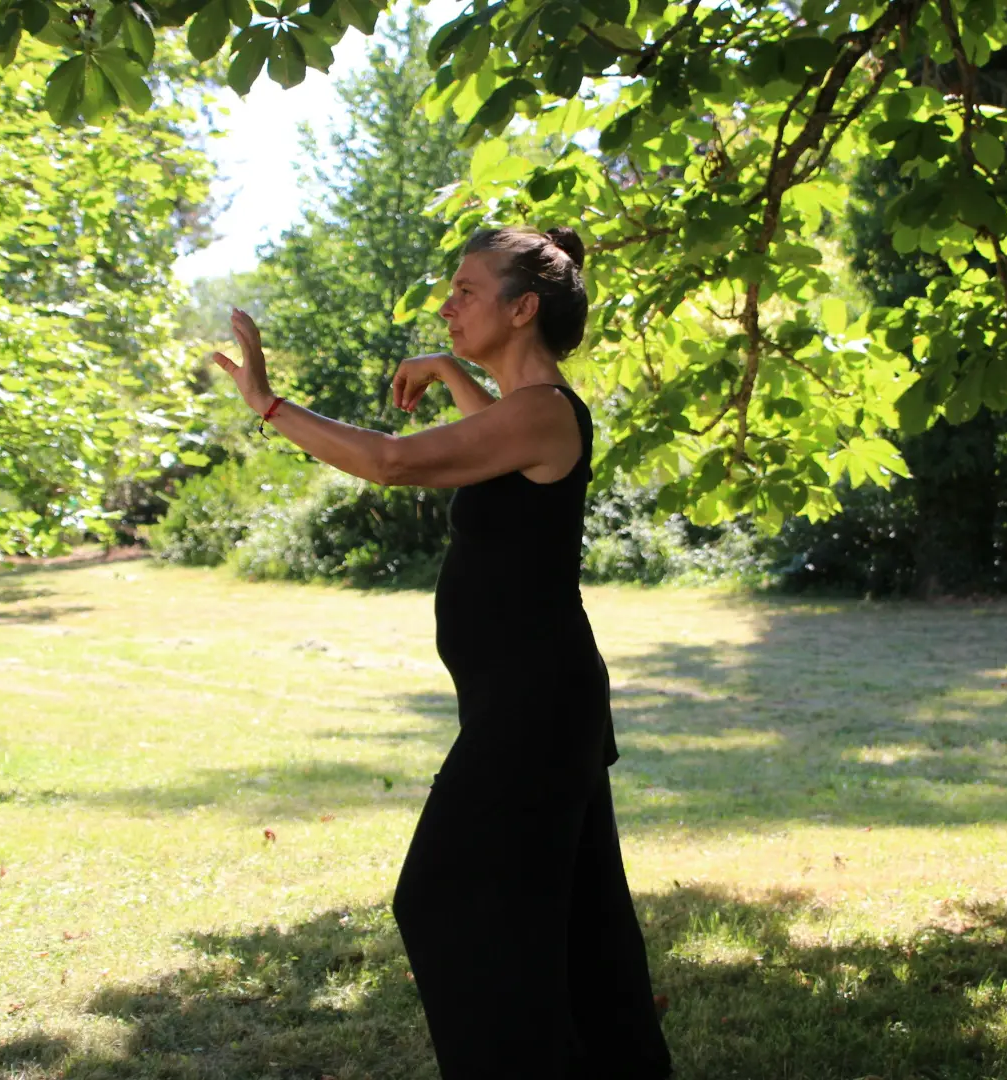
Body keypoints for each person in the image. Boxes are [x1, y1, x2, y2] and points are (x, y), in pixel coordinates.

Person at [210, 225, 673, 1080]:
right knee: (579, 926)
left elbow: (390, 461)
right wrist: (453, 370)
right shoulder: (528, 414)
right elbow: (490, 440)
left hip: (537, 705)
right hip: (530, 698)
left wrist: (269, 405)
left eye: (467, 290)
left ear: (522, 307)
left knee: (444, 903)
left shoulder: (540, 413)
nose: (449, 304)